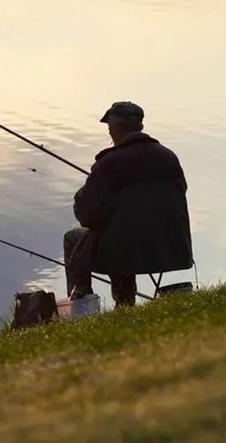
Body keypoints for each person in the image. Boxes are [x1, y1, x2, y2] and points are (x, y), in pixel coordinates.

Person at [63, 101, 193, 306]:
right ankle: (124, 306)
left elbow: (86, 215)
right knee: (122, 232)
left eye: (109, 127)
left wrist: (86, 189)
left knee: (74, 238)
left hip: (127, 251)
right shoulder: (168, 157)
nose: (109, 133)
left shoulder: (109, 163)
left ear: (115, 127)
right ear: (139, 127)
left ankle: (84, 303)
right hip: (170, 246)